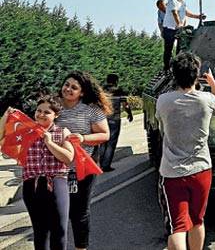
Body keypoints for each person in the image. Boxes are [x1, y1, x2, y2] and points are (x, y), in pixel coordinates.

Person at [156, 52, 215, 250]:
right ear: (197, 75)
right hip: (202, 169)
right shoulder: (206, 100)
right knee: (197, 220)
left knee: (178, 227)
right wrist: (213, 83)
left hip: (172, 172)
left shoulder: (163, 101)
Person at [0, 96, 75, 250]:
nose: (41, 114)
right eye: (38, 111)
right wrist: (5, 117)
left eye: (46, 112)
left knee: (59, 230)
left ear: (56, 115)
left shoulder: (62, 132)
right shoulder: (26, 131)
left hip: (56, 182)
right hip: (31, 185)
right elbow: (2, 140)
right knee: (40, 232)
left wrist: (50, 142)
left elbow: (68, 158)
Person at [56, 71, 111, 250]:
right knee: (56, 212)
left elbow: (104, 134)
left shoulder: (91, 110)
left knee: (79, 212)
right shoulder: (54, 107)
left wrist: (82, 138)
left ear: (82, 92)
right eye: (66, 85)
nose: (68, 89)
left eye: (74, 87)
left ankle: (81, 247)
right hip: (55, 169)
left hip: (81, 169)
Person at [162, 0, 206, 70]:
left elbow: (186, 13)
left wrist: (198, 16)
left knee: (180, 49)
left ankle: (177, 66)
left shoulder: (182, 3)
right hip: (170, 28)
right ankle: (166, 68)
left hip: (179, 29)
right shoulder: (173, 0)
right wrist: (179, 24)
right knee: (169, 49)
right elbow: (174, 12)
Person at [98, 74, 133, 172]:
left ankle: (99, 163)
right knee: (111, 143)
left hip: (102, 119)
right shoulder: (118, 91)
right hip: (114, 119)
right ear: (116, 81)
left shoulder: (101, 91)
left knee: (103, 142)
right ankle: (106, 165)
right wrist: (130, 114)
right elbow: (125, 105)